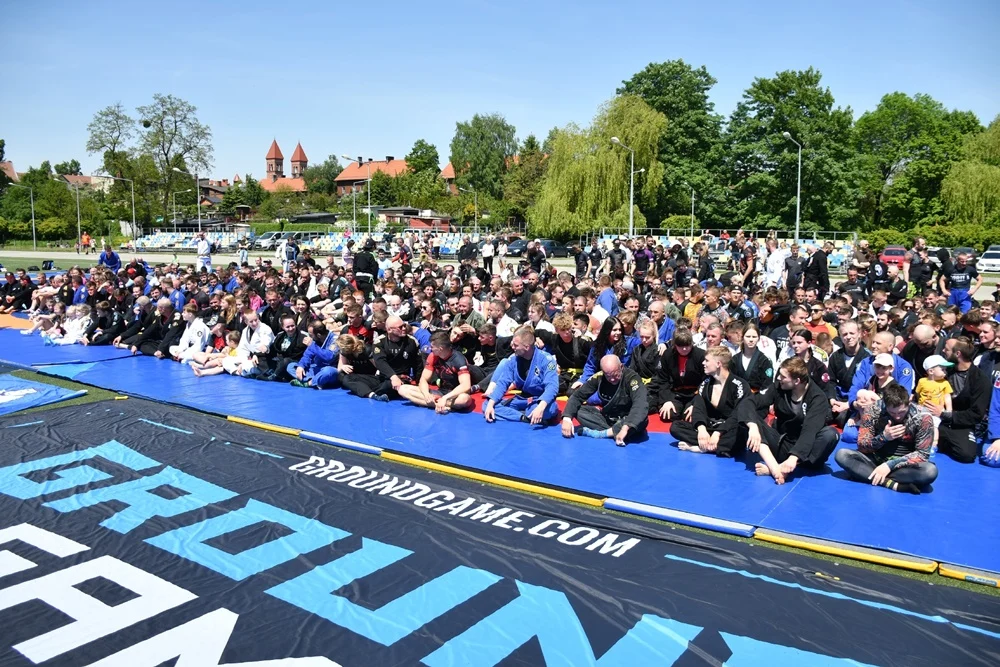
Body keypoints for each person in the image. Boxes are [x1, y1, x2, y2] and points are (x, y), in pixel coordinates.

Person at [736, 357, 839, 484]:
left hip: (807, 453)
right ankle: (775, 468)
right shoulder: (778, 387)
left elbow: (809, 432)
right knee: (752, 419)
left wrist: (794, 458)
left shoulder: (817, 398)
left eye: (783, 376)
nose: (779, 378)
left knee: (831, 434)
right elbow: (750, 401)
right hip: (782, 443)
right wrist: (752, 426)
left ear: (797, 381)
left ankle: (781, 468)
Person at [834, 384, 938, 494]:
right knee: (841, 455)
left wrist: (889, 465)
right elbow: (862, 445)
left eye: (901, 412)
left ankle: (867, 474)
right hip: (876, 460)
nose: (897, 416)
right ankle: (892, 484)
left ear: (909, 403)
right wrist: (884, 437)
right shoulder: (872, 410)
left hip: (904, 466)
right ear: (885, 405)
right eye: (892, 412)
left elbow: (922, 454)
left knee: (930, 471)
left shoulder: (923, 417)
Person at [671, 346, 751, 456]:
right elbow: (699, 409)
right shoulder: (705, 384)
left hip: (728, 429)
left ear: (718, 364)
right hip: (710, 427)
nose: (703, 363)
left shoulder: (740, 385)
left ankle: (703, 447)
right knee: (676, 427)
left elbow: (738, 414)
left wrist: (718, 433)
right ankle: (715, 446)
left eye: (707, 360)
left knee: (742, 433)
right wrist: (701, 429)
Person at [561, 354, 648, 446]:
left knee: (641, 420)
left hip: (628, 419)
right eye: (608, 376)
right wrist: (567, 418)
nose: (612, 379)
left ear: (621, 367)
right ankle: (613, 432)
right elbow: (577, 396)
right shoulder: (599, 377)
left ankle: (603, 433)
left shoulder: (632, 379)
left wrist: (626, 427)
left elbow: (640, 404)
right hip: (609, 418)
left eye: (615, 375)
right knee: (578, 411)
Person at [929, 337, 990, 463]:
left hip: (960, 423)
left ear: (957, 354)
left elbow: (976, 414)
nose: (943, 351)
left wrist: (946, 414)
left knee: (966, 455)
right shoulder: (944, 371)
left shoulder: (980, 380)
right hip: (935, 418)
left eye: (946, 349)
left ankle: (941, 440)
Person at [483, 326, 560, 425]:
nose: (512, 347)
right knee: (487, 405)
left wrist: (541, 407)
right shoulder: (513, 359)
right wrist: (491, 403)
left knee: (548, 410)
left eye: (516, 345)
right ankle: (523, 417)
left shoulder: (546, 359)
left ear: (527, 347)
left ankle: (527, 414)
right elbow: (503, 382)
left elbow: (552, 387)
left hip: (539, 400)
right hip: (522, 399)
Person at [397, 330, 474, 414]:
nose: (430, 349)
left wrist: (445, 398)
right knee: (402, 389)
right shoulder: (432, 356)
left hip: (455, 395)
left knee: (465, 400)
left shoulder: (459, 360)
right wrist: (426, 394)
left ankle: (434, 403)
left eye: (432, 347)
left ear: (440, 349)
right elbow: (424, 379)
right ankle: (440, 405)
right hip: (440, 392)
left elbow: (466, 385)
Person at [650, 328, 706, 421]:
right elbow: (663, 380)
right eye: (680, 346)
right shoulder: (668, 355)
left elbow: (705, 382)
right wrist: (667, 400)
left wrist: (697, 404)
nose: (684, 349)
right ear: (675, 345)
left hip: (694, 394)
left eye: (687, 345)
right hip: (676, 393)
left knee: (691, 417)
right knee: (667, 415)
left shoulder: (700, 355)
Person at [729, 322, 773, 392]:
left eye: (754, 337)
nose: (751, 340)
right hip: (737, 395)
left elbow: (767, 385)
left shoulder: (764, 360)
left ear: (758, 338)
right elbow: (730, 381)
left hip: (757, 396)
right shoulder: (735, 359)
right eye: (748, 336)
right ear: (742, 338)